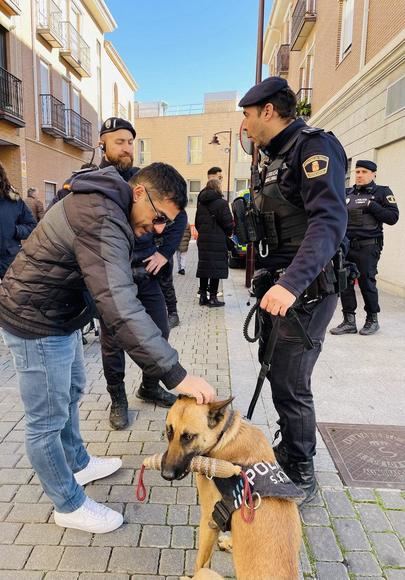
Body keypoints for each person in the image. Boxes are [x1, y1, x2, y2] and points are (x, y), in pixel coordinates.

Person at [0, 160, 215, 534]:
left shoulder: (110, 206)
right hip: (34, 319)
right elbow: (117, 302)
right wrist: (175, 374)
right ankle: (67, 504)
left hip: (60, 314)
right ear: (138, 192)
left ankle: (78, 462)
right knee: (45, 421)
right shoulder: (102, 215)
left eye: (166, 222)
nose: (158, 227)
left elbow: (111, 285)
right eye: (159, 215)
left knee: (70, 392)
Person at [239, 76, 348, 503]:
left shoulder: (313, 147)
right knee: (276, 374)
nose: (245, 126)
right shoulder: (273, 157)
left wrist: (290, 284)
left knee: (291, 380)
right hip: (281, 286)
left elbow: (328, 223)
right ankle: (289, 450)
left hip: (308, 288)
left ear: (268, 110)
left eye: (247, 115)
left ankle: (302, 471)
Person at [96, 117, 186, 429]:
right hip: (111, 279)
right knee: (113, 344)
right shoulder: (92, 183)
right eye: (119, 141)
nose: (126, 147)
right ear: (102, 143)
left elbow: (180, 213)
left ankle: (149, 386)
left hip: (145, 276)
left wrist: (164, 252)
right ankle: (117, 397)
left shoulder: (142, 180)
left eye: (131, 142)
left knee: (160, 330)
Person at [330, 160, 399, 336]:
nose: (359, 175)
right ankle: (349, 321)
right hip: (346, 246)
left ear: (373, 174)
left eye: (364, 172)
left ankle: (372, 320)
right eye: (357, 171)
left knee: (367, 282)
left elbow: (392, 217)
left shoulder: (382, 192)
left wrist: (371, 205)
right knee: (344, 281)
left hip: (368, 246)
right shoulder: (347, 193)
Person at [195, 178, 233, 307]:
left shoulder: (200, 203)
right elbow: (228, 223)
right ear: (218, 187)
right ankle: (212, 298)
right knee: (215, 268)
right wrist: (227, 233)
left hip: (204, 239)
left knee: (204, 267)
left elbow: (197, 223)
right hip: (217, 239)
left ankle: (202, 297)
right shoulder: (222, 203)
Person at [0, 163, 36, 280]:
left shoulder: (13, 200)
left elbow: (31, 225)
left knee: (9, 296)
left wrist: (15, 230)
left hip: (8, 261)